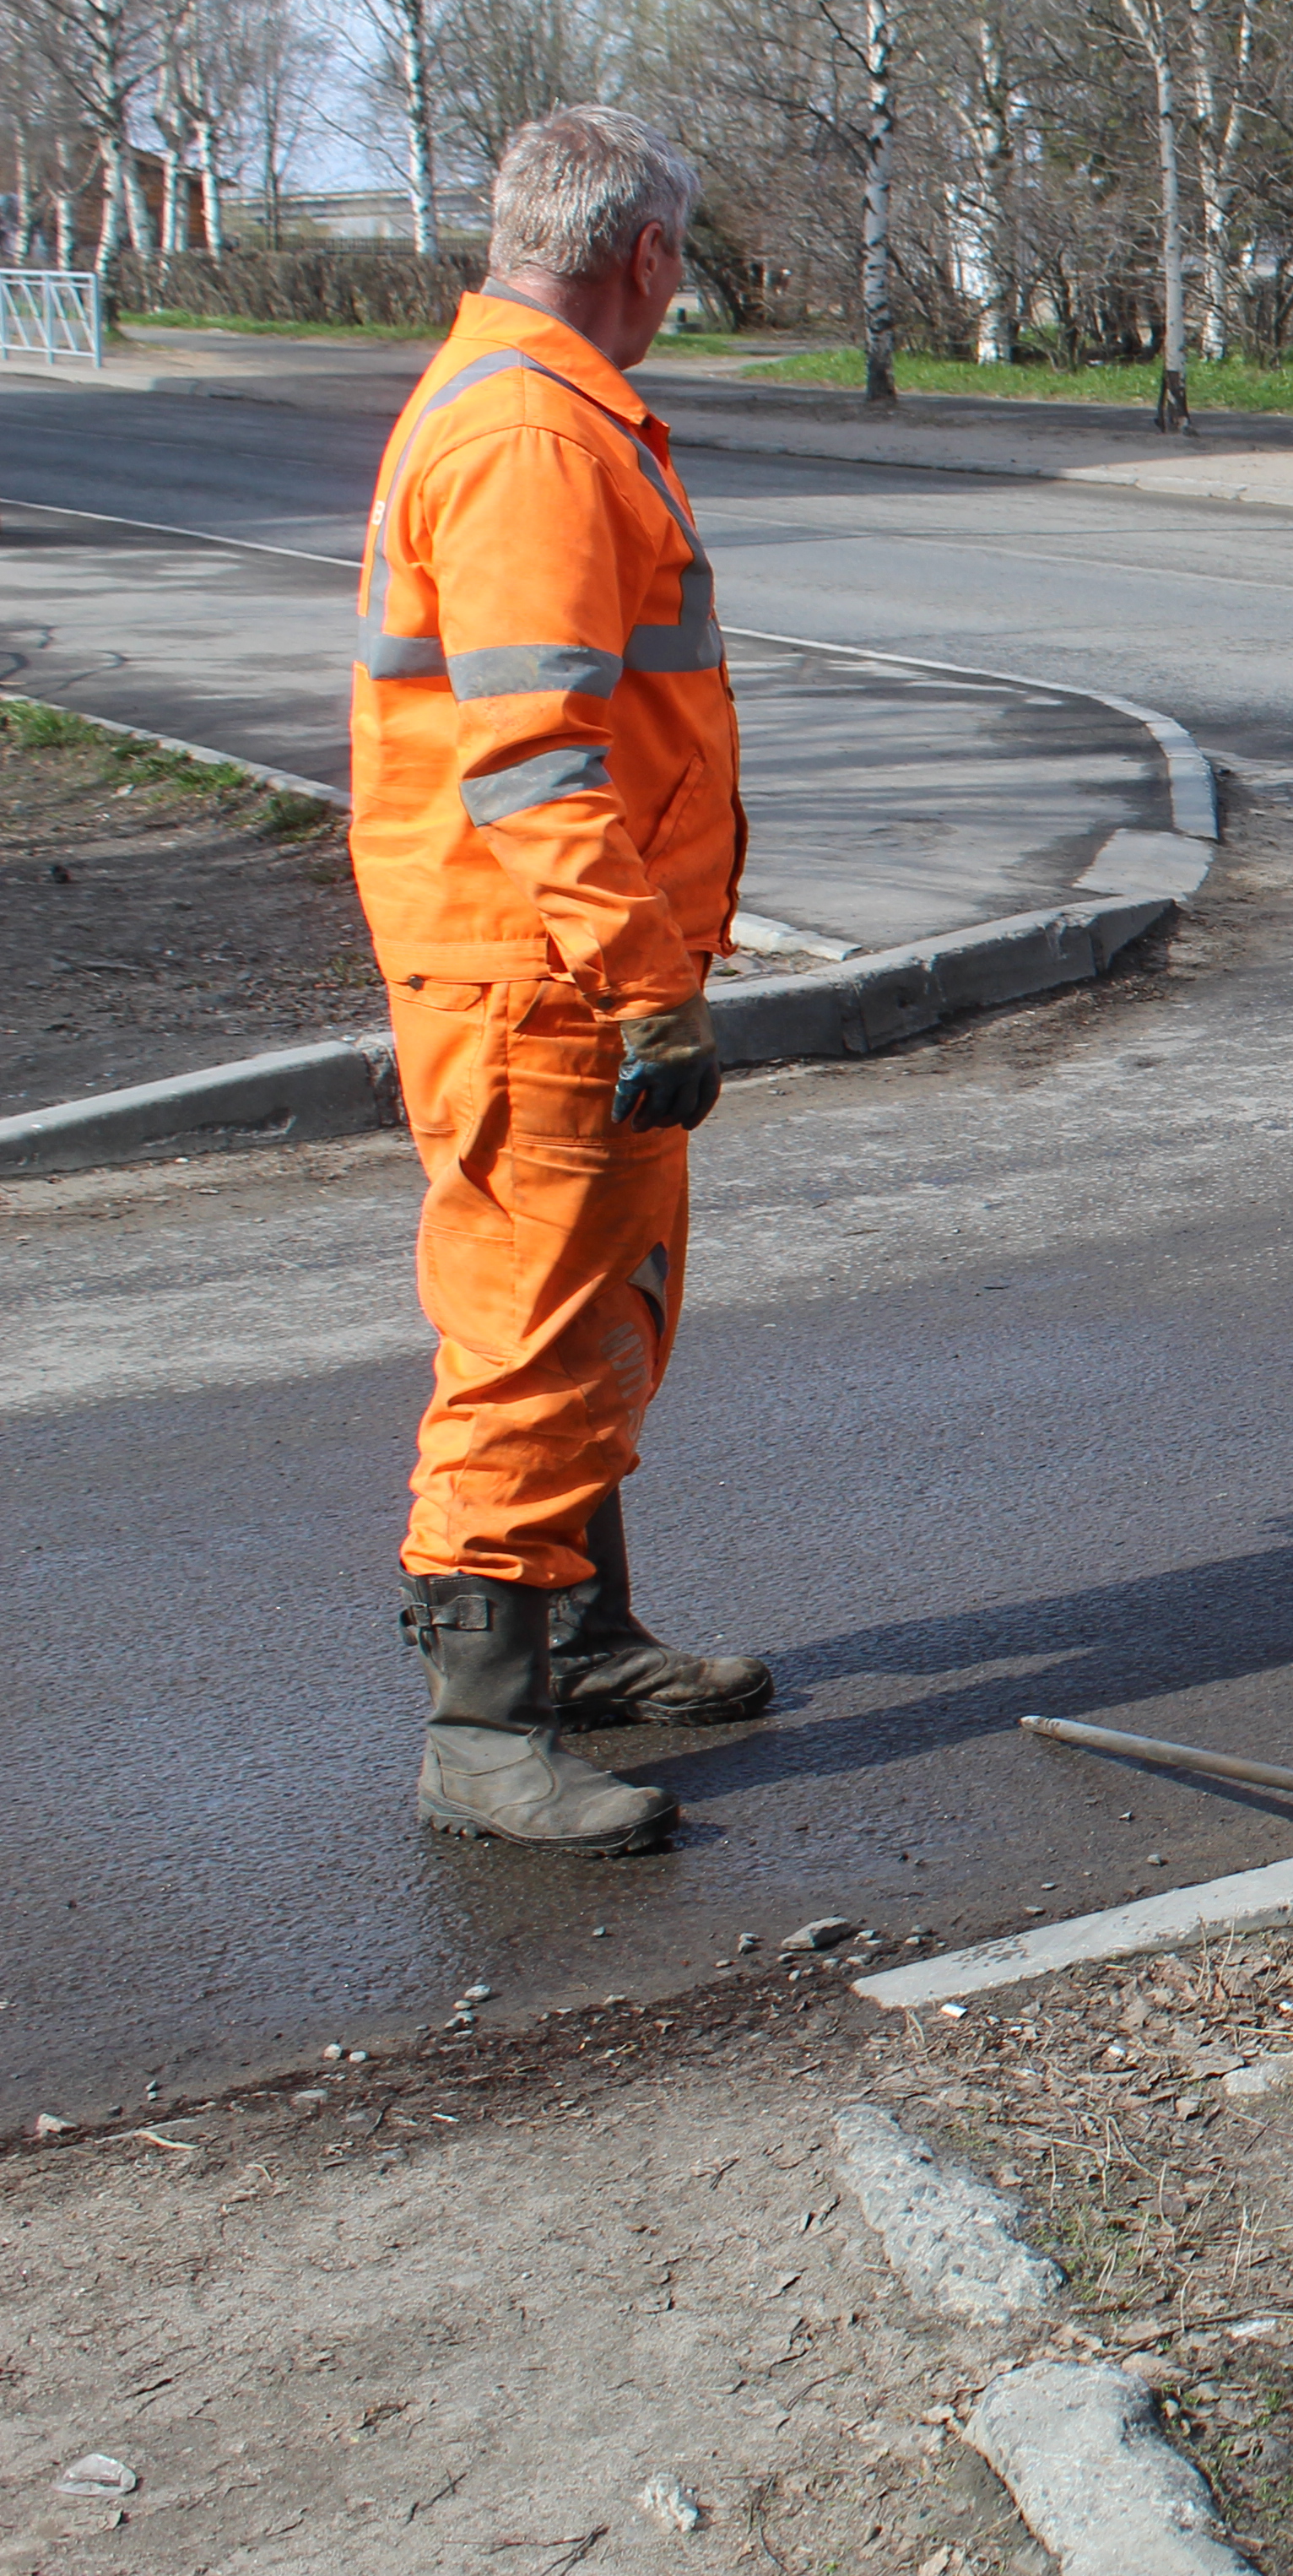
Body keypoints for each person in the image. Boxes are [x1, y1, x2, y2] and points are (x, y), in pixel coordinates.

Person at [352, 102, 770, 1857]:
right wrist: (636, 981)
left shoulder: (518, 400)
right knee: (531, 1333)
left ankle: (579, 1641)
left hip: (534, 959)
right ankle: (484, 1722)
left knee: (596, 1308)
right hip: (547, 972)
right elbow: (534, 754)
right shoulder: (532, 432)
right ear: (649, 259)